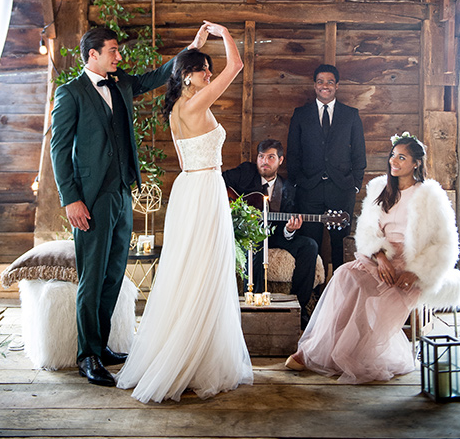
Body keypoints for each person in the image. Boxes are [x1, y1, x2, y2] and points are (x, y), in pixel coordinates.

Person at [50, 24, 208, 387]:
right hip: (90, 198)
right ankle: (87, 356)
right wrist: (71, 199)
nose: (119, 56)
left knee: (112, 274)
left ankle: (101, 347)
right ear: (93, 55)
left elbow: (156, 76)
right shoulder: (70, 93)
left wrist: (192, 48)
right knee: (91, 277)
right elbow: (59, 151)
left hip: (122, 193)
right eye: (113, 51)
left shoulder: (120, 82)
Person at [116, 22, 253, 403]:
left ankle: (196, 351)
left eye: (208, 69)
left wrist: (197, 44)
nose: (208, 74)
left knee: (190, 269)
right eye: (201, 70)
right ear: (187, 78)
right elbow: (236, 66)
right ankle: (191, 357)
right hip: (204, 189)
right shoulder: (196, 102)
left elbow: (187, 67)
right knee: (204, 268)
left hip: (190, 188)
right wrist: (225, 33)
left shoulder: (178, 106)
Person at [285, 133, 460, 384]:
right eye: (393, 155)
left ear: (416, 163)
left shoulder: (429, 195)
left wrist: (416, 272)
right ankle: (313, 350)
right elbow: (367, 231)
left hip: (410, 262)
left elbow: (445, 244)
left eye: (402, 157)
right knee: (344, 276)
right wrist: (379, 256)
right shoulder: (381, 189)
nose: (394, 161)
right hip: (381, 256)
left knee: (379, 296)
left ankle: (348, 353)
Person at [223, 139, 319, 329]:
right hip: (248, 233)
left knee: (310, 246)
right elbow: (218, 180)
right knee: (255, 245)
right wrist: (233, 207)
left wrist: (289, 230)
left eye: (270, 157)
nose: (264, 161)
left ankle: (299, 309)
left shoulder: (289, 189)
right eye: (261, 157)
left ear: (280, 160)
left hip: (275, 234)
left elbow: (286, 228)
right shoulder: (245, 173)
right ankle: (254, 305)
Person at [286, 63, 366, 271]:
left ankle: (339, 294)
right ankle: (313, 296)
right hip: (308, 190)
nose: (325, 86)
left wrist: (355, 184)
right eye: (320, 82)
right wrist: (298, 183)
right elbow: (293, 153)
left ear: (337, 86)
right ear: (314, 86)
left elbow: (359, 153)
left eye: (330, 82)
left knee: (340, 245)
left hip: (341, 189)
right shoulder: (300, 114)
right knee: (311, 244)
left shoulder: (351, 115)